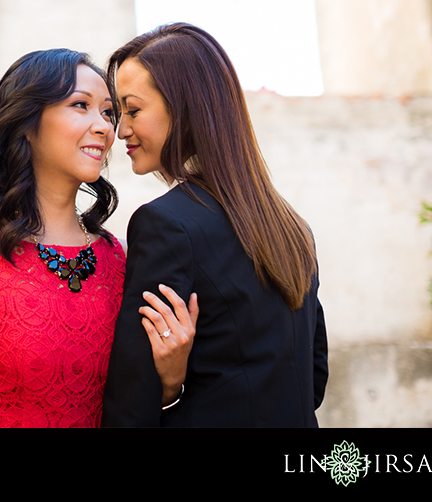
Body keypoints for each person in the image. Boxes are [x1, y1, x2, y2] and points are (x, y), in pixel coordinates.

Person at [0, 48, 197, 427]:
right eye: (81, 105)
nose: (105, 127)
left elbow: (133, 409)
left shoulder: (125, 260)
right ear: (27, 122)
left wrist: (172, 380)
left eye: (109, 112)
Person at [101, 23, 328, 427]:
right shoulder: (295, 229)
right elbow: (313, 383)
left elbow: (132, 405)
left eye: (133, 110)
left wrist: (172, 389)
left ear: (184, 107)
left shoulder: (165, 225)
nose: (121, 130)